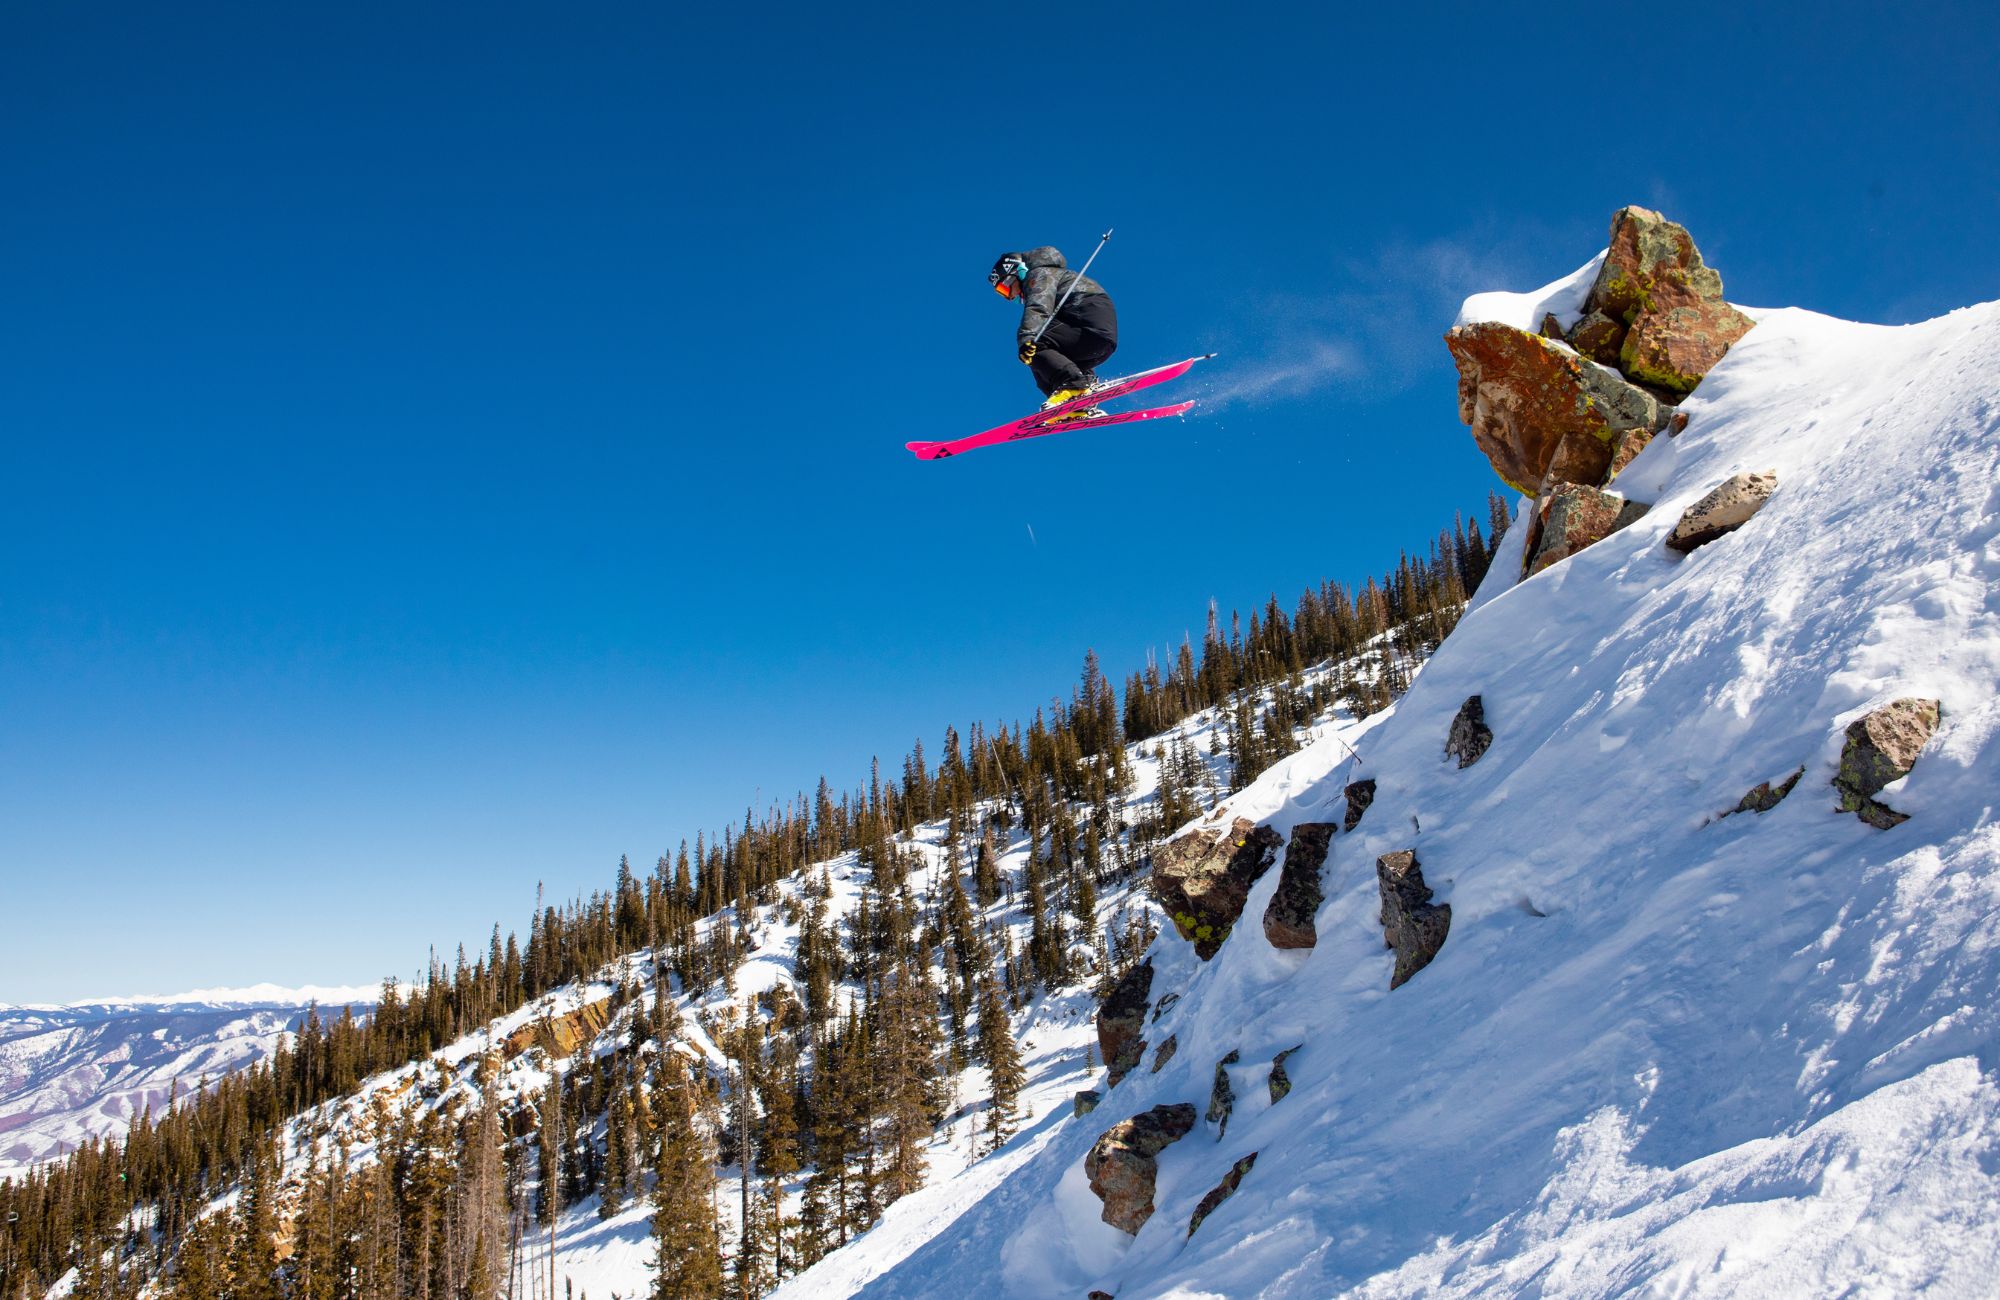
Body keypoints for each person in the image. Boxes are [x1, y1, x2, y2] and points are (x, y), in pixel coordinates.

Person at [989, 247, 1118, 412]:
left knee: (1035, 344)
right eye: (1002, 294)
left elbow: (1038, 306)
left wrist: (1027, 338)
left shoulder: (1039, 274)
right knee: (1042, 366)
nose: (1010, 296)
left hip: (1088, 320)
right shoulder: (1048, 274)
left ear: (1016, 272)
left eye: (1005, 287)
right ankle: (1078, 398)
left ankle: (1073, 384)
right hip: (1098, 338)